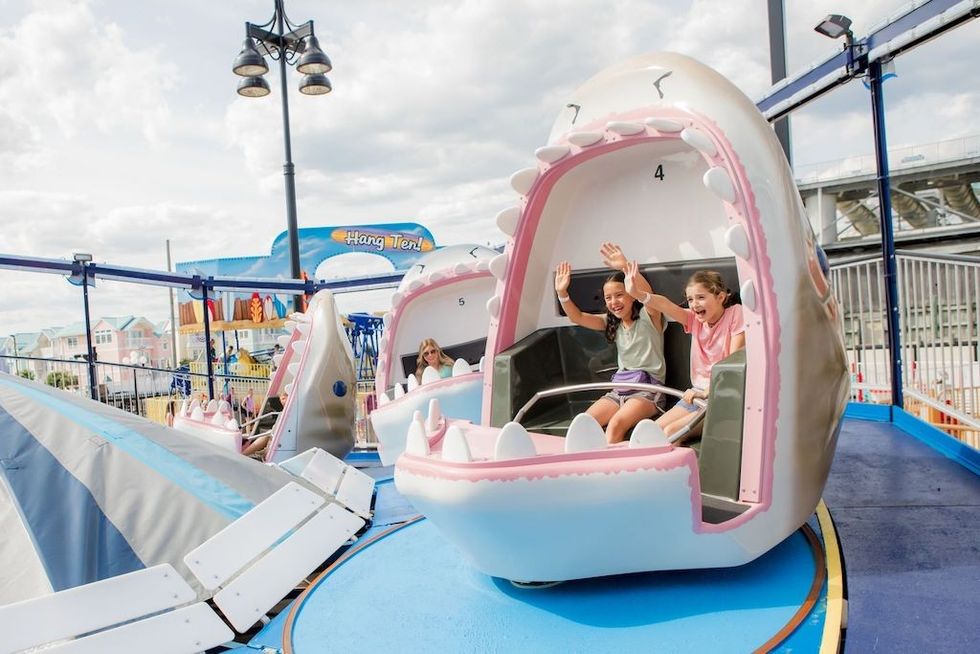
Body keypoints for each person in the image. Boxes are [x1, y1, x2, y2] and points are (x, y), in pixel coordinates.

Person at [554, 243, 667, 444]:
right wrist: (562, 293)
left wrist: (624, 266)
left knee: (615, 425)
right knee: (584, 423)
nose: (614, 301)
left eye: (619, 295)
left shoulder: (648, 317)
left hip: (648, 391)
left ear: (632, 294)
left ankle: (613, 464)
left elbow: (649, 296)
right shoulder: (611, 323)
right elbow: (577, 317)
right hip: (620, 389)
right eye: (608, 298)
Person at [625, 262, 745, 438]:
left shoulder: (735, 313)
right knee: (651, 432)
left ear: (720, 297)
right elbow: (666, 305)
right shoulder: (694, 320)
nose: (694, 304)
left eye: (700, 297)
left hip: (722, 395)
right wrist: (638, 294)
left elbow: (732, 365)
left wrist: (706, 392)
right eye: (690, 299)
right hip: (696, 395)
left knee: (672, 432)